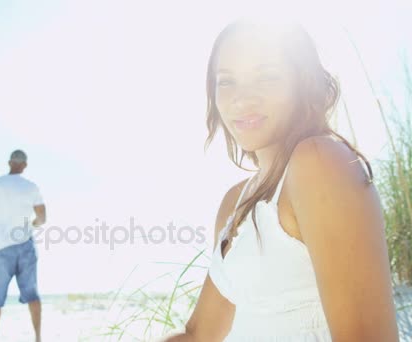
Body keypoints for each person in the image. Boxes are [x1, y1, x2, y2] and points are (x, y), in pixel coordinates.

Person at [165, 20, 399, 341]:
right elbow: (198, 335)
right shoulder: (235, 202)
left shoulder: (319, 162)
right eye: (227, 81)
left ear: (302, 83)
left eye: (266, 76)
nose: (241, 99)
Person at [0, 149, 46, 342]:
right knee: (32, 294)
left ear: (9, 163)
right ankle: (38, 338)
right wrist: (32, 225)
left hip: (2, 248)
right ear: (24, 165)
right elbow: (42, 217)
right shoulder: (31, 187)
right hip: (25, 245)